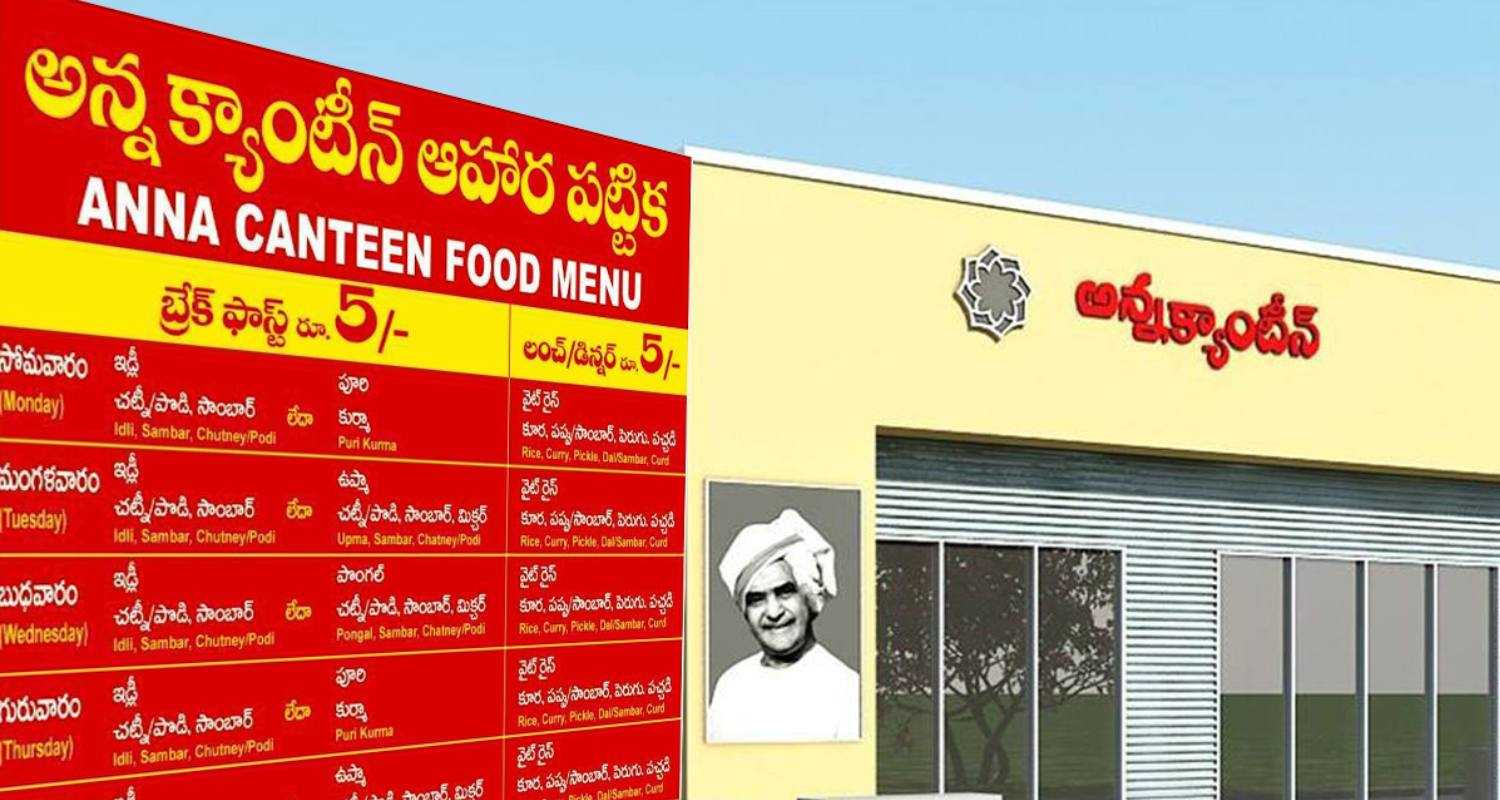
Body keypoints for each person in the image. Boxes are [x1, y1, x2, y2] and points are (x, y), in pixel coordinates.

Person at [707, 508, 860, 743]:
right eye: (756, 599)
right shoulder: (731, 684)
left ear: (808, 597)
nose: (774, 612)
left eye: (784, 593)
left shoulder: (847, 690)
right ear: (745, 613)